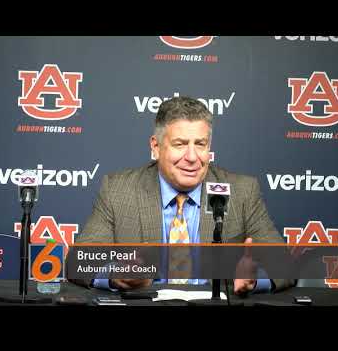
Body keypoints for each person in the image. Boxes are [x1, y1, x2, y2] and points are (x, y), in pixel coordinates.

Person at [68, 96, 293, 295]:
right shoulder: (118, 190)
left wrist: (253, 280)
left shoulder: (242, 191)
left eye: (200, 144)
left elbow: (285, 265)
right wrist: (115, 275)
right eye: (180, 144)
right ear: (155, 147)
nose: (193, 157)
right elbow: (77, 262)